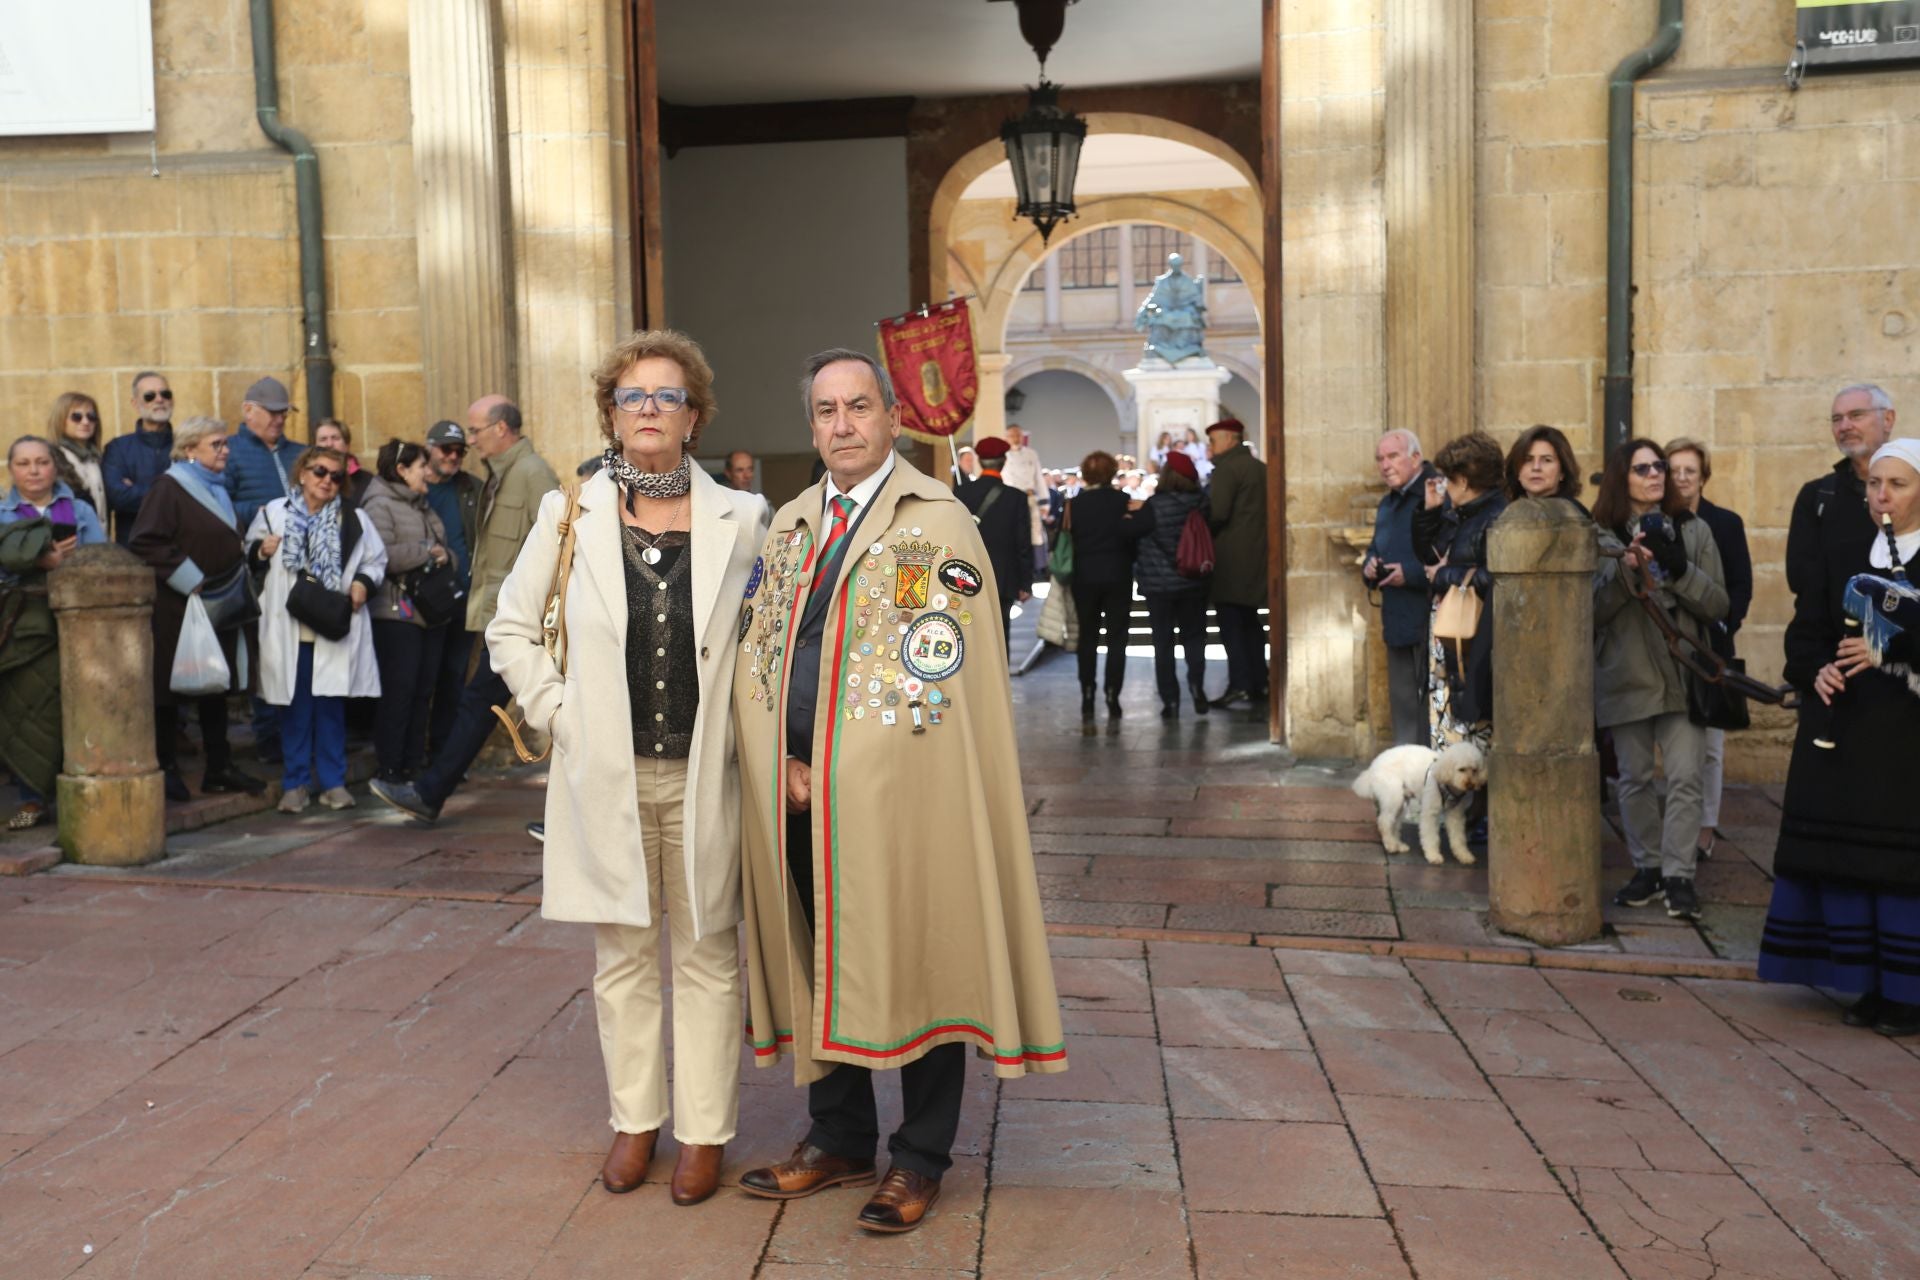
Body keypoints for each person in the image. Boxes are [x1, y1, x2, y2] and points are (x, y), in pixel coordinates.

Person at [733, 348, 1065, 1235]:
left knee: (923, 954)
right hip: (795, 790)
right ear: (813, 425)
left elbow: (935, 673)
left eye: (859, 408)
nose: (842, 425)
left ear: (892, 419)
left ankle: (919, 1159)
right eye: (826, 411)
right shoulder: (793, 522)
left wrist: (838, 770)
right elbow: (758, 654)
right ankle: (838, 1139)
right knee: (819, 958)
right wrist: (779, 761)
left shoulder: (938, 523)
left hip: (897, 794)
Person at [490, 328, 768, 1206]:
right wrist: (561, 716)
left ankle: (703, 1134)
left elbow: (774, 646)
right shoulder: (567, 512)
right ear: (611, 414)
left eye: (668, 397)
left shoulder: (746, 519)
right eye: (634, 396)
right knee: (622, 954)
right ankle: (635, 1121)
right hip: (606, 772)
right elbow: (510, 627)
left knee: (709, 955)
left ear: (695, 416)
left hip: (705, 772)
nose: (650, 410)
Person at [1759, 438, 1920, 1035]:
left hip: (1907, 740)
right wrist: (1815, 667)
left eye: (1898, 484)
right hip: (1844, 731)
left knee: (1903, 868)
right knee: (1848, 859)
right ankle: (1868, 984)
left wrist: (1892, 648)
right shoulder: (1848, 547)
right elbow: (1808, 629)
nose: (1882, 495)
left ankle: (1910, 992)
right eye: (1875, 484)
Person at [370, 397, 558, 823]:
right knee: (480, 701)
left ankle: (430, 792)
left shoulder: (531, 474)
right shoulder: (499, 476)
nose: (469, 441)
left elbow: (559, 545)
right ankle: (430, 792)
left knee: (485, 701)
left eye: (475, 431)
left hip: (526, 615)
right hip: (506, 612)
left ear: (501, 430)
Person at [1591, 439, 1727, 922]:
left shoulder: (1695, 530)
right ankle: (1647, 868)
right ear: (1620, 477)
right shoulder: (1599, 537)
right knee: (1634, 778)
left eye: (1660, 467)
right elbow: (1591, 611)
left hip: (1683, 672)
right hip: (1626, 674)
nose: (1655, 475)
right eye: (1642, 467)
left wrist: (1677, 567)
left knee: (1687, 776)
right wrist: (1626, 571)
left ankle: (1678, 876)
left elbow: (1717, 605)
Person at [127, 417, 267, 804]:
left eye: (225, 443)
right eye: (216, 444)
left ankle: (219, 767)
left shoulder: (218, 488)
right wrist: (189, 577)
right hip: (180, 605)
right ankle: (167, 769)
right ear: (190, 450)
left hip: (220, 602)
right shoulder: (169, 488)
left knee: (215, 684)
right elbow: (146, 540)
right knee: (171, 686)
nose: (226, 450)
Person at [247, 447, 386, 813]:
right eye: (319, 472)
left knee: (330, 708)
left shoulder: (352, 517)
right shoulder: (274, 513)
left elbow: (375, 560)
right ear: (302, 474)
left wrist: (362, 584)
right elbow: (248, 557)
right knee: (294, 709)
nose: (327, 480)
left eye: (335, 476)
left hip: (330, 624)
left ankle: (333, 782)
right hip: (287, 627)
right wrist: (261, 551)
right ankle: (295, 784)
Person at [0, 437, 107, 830]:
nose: (33, 470)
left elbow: (103, 557)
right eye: (24, 463)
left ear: (54, 467)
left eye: (41, 462)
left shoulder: (78, 509)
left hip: (79, 625)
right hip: (22, 628)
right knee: (25, 713)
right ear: (12, 469)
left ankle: (83, 795)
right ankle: (32, 800)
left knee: (78, 709)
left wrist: (72, 559)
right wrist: (36, 559)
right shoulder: (2, 513)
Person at [1665, 437, 1751, 860]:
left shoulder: (1726, 523)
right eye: (1674, 470)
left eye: (1689, 471)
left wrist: (1720, 628)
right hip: (1663, 646)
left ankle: (1704, 827)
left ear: (1703, 476)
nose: (1681, 478)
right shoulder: (1654, 521)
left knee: (1710, 746)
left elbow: (1740, 586)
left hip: (1709, 647)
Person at [360, 441, 453, 785]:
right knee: (399, 693)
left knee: (422, 692)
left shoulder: (424, 506)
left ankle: (413, 765)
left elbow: (446, 550)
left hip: (429, 613)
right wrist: (426, 552)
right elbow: (379, 554)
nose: (428, 473)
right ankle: (390, 767)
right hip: (394, 613)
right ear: (401, 470)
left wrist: (443, 556)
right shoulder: (378, 505)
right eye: (420, 467)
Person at [1413, 432, 1508, 752]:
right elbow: (1428, 555)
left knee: (1471, 740)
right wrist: (1429, 511)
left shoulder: (1495, 516)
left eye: (1448, 480)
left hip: (1471, 638)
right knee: (1449, 734)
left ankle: (1468, 798)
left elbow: (1496, 577)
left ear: (1464, 481)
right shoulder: (1462, 513)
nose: (1445, 487)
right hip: (1452, 637)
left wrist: (1445, 576)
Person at [1362, 429, 1436, 746]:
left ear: (1416, 458)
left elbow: (1454, 555)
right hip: (1397, 618)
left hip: (1431, 617)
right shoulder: (1387, 504)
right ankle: (1408, 781)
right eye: (1380, 458)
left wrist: (1411, 574)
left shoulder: (1436, 495)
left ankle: (1432, 782)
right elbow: (1376, 549)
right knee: (1404, 705)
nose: (1385, 465)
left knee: (1433, 710)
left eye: (1393, 456)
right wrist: (1369, 568)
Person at [1069, 449, 1151, 721]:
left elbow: (1068, 536)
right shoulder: (1123, 501)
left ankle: (1087, 693)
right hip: (1117, 574)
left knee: (1087, 637)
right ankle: (1113, 693)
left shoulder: (1076, 504)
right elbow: (1136, 533)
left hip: (1084, 576)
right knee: (1117, 638)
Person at [1135, 449, 1209, 718]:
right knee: (1194, 638)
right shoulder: (1202, 503)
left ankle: (1171, 700)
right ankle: (1197, 687)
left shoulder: (1154, 506)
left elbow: (1135, 534)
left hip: (1159, 586)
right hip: (1194, 582)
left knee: (1163, 642)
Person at [422, 420, 481, 756]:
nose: (453, 456)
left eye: (459, 451)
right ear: (429, 447)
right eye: (446, 449)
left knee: (454, 677)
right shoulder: (412, 487)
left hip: (463, 597)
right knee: (422, 679)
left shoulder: (471, 488)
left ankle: (443, 754)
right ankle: (413, 756)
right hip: (425, 599)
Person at [1205, 418, 1267, 708]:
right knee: (1251, 623)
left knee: (1231, 624)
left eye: (1214, 441)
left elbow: (1218, 513)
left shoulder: (1227, 469)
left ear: (1230, 439)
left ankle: (1241, 685)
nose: (1210, 447)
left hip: (1230, 558)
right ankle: (1260, 682)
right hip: (1256, 554)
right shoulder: (1259, 468)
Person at [954, 436, 1034, 643]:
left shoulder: (961, 493)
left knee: (969, 636)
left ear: (979, 460)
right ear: (1004, 461)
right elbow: (1022, 542)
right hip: (1003, 577)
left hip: (965, 574)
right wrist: (1025, 582)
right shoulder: (1016, 497)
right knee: (999, 636)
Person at [103, 371, 176, 544]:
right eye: (150, 396)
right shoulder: (118, 448)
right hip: (134, 549)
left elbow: (197, 497)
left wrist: (136, 489)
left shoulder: (187, 445)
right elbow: (118, 497)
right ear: (135, 403)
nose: (159, 399)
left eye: (165, 394)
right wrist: (174, 497)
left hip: (179, 548)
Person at [226, 377, 306, 531]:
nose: (280, 420)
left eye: (284, 413)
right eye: (273, 412)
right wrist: (260, 512)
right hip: (255, 546)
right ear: (248, 410)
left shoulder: (301, 452)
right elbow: (216, 505)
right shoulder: (227, 450)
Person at [48, 392, 107, 519]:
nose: (85, 422)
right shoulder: (51, 458)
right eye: (76, 417)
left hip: (100, 537)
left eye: (91, 416)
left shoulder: (97, 458)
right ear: (60, 420)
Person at [1000, 424, 1049, 576]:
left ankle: (1034, 569)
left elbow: (1038, 478)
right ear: (1007, 437)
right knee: (1014, 534)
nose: (1016, 438)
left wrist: (1044, 502)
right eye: (1012, 435)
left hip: (1029, 497)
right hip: (1011, 499)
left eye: (1018, 435)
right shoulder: (1004, 455)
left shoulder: (1031, 454)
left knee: (1033, 533)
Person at [1503, 424, 1586, 511]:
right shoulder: (1510, 512)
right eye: (1527, 460)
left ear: (1563, 471)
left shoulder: (1573, 516)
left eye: (1547, 460)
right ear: (1516, 470)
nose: (1536, 467)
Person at [314, 418, 372, 503]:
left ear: (347, 445)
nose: (329, 444)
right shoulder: (307, 480)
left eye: (335, 438)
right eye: (323, 439)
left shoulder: (367, 481)